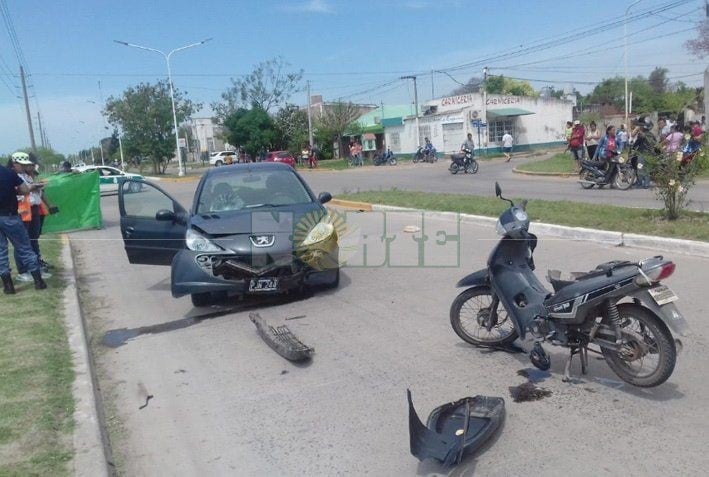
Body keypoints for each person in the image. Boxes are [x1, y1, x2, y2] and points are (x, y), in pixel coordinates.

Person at [1, 153, 47, 294]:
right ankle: (38, 281)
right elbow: (24, 190)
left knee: (1, 252)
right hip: (10, 216)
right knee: (24, 247)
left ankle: (8, 286)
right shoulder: (7, 173)